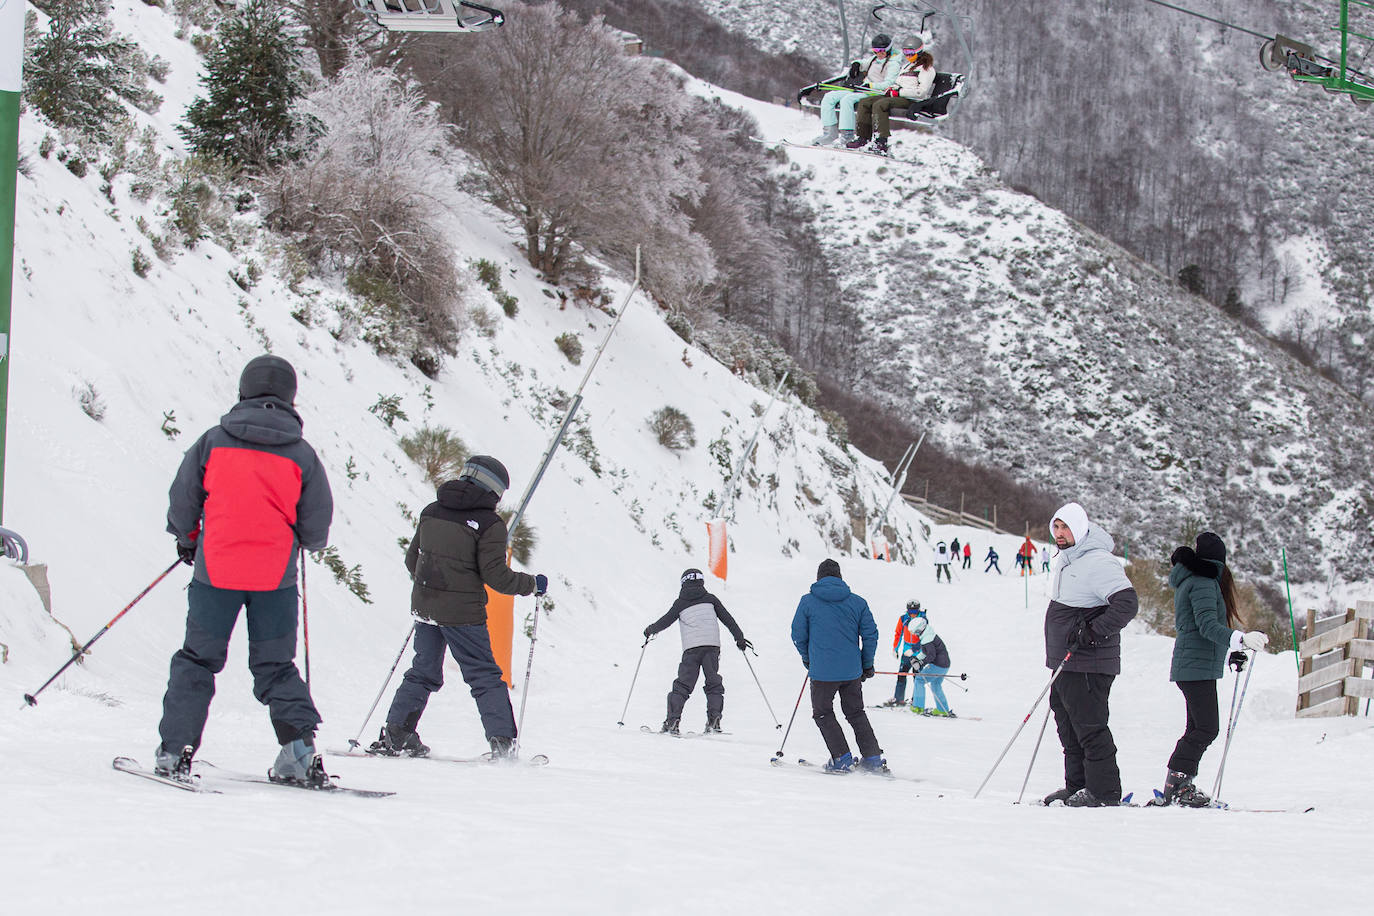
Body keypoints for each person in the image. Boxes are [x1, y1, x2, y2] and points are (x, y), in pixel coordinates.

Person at [156, 355, 334, 785]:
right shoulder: (302, 455)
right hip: (275, 579)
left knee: (197, 660)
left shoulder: (213, 442)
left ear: (244, 390)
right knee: (276, 666)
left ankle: (175, 751)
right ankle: (298, 753)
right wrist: (301, 541)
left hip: (215, 572)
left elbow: (184, 501)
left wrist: (187, 539)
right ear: (289, 396)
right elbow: (316, 526)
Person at [369, 456, 548, 760]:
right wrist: (532, 584)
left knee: (422, 671)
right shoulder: (490, 524)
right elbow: (497, 577)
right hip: (463, 613)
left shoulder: (431, 511)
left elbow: (413, 561)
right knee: (485, 676)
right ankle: (503, 745)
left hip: (426, 608)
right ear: (494, 490)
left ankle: (396, 735)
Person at [1154, 532, 1269, 806]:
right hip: (1195, 667)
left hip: (1195, 665)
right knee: (1206, 728)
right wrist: (1240, 638)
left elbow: (1202, 628)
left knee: (1197, 728)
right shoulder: (1204, 582)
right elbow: (1206, 626)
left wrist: (1233, 650)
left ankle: (1179, 784)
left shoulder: (1195, 580)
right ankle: (1179, 785)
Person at [1041, 502, 1139, 808]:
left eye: (1066, 527)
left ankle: (1104, 790)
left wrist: (1093, 632)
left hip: (1088, 661)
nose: (1059, 533)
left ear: (1081, 528)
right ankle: (1078, 786)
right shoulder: (1070, 559)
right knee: (1068, 726)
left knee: (1089, 725)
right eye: (1056, 527)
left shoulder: (1097, 561)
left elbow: (1127, 603)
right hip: (1066, 662)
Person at [790, 559, 885, 773]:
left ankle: (841, 758)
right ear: (840, 577)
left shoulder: (807, 602)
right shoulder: (857, 602)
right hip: (851, 671)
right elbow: (871, 635)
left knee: (823, 713)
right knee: (855, 712)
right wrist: (866, 664)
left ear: (819, 578)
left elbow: (798, 635)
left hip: (822, 672)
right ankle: (872, 758)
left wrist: (808, 659)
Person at [644, 568, 750, 735]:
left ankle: (673, 721)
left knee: (683, 685)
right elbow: (728, 619)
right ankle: (714, 721)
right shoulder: (711, 599)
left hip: (692, 649)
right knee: (713, 683)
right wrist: (740, 638)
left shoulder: (680, 603)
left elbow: (665, 620)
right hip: (712, 647)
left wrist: (650, 630)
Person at [811, 33, 904, 147]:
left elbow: (888, 84)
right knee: (829, 97)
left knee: (847, 100)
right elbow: (864, 62)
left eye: (882, 51)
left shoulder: (893, 64)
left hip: (875, 93)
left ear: (889, 50)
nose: (878, 53)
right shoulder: (875, 59)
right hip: (862, 89)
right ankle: (829, 133)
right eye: (875, 50)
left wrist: (871, 85)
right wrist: (856, 64)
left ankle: (847, 135)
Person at [847, 46, 936, 155]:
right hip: (897, 96)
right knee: (865, 102)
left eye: (911, 53)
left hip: (911, 100)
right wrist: (892, 88)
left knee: (880, 104)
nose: (908, 55)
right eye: (906, 52)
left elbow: (921, 92)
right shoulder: (907, 66)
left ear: (919, 52)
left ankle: (881, 142)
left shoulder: (927, 69)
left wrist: (899, 92)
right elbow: (899, 82)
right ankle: (863, 137)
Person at [904, 617, 954, 717]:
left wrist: (920, 663)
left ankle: (918, 707)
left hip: (938, 665)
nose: (914, 634)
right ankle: (942, 709)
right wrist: (916, 658)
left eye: (915, 632)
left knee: (919, 679)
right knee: (936, 685)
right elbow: (925, 652)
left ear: (919, 630)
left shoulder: (927, 639)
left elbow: (931, 656)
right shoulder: (928, 635)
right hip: (944, 665)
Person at [881, 599, 926, 707]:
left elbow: (925, 638)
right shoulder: (904, 619)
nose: (913, 614)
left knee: (917, 677)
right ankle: (899, 698)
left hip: (918, 652)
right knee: (902, 674)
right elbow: (898, 633)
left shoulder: (923, 620)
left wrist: (915, 650)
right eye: (910, 612)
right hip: (906, 652)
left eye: (915, 612)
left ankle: (916, 701)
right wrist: (895, 648)